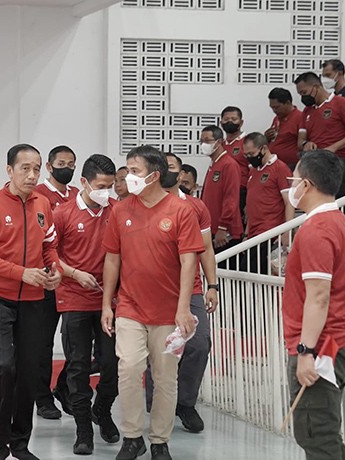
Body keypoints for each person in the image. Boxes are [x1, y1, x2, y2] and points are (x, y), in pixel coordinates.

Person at [101, 145, 204, 460]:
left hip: (168, 314)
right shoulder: (120, 210)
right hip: (130, 308)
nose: (128, 177)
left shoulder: (181, 211)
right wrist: (108, 304)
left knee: (164, 378)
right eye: (128, 170)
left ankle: (160, 440)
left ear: (155, 175)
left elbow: (189, 263)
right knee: (129, 368)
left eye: (135, 171)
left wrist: (183, 308)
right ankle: (132, 437)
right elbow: (112, 260)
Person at [0, 144, 62, 460]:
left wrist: (54, 272)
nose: (32, 174)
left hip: (35, 300)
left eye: (36, 168)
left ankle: (21, 443)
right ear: (9, 170)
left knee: (29, 371)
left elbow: (50, 247)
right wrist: (21, 273)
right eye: (25, 168)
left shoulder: (43, 204)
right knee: (2, 366)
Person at [282, 149, 345, 459]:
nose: (291, 187)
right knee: (320, 432)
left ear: (307, 184)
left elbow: (318, 296)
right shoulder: (340, 222)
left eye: (294, 180)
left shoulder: (318, 230)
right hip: (338, 338)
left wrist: (306, 351)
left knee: (316, 434)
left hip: (323, 344)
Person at [144, 152, 218, 433]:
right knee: (157, 348)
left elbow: (206, 248)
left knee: (199, 344)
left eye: (172, 167)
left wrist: (212, 285)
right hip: (153, 291)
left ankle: (185, 403)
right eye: (163, 167)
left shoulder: (196, 207)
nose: (167, 172)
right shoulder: (144, 205)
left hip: (192, 290)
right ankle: (157, 402)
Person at [53, 154, 120, 455]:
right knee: (78, 367)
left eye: (110, 186)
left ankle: (102, 410)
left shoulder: (117, 211)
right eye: (101, 186)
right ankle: (83, 429)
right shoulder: (63, 214)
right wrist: (74, 273)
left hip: (110, 301)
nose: (106, 192)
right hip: (75, 299)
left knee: (112, 364)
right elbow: (49, 255)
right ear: (83, 183)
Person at [33, 145, 77, 419]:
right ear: (49, 166)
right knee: (42, 343)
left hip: (73, 280)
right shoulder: (38, 195)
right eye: (62, 163)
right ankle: (42, 398)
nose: (68, 168)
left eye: (72, 164)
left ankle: (65, 388)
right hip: (47, 278)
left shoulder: (77, 195)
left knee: (77, 343)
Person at [295, 72, 345, 199]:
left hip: (340, 161)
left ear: (316, 87)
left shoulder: (341, 103)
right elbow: (300, 140)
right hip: (318, 164)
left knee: (342, 204)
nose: (302, 97)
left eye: (304, 93)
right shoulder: (307, 111)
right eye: (300, 94)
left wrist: (334, 147)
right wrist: (306, 144)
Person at [242, 133, 294, 274]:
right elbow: (251, 204)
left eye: (251, 153)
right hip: (253, 234)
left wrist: (286, 231)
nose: (249, 157)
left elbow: (289, 202)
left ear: (263, 148)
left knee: (259, 274)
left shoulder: (280, 168)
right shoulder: (253, 170)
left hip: (270, 233)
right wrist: (246, 234)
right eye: (246, 154)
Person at [200, 125, 243, 257]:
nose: (203, 144)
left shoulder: (229, 164)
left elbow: (231, 198)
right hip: (211, 227)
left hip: (225, 232)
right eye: (201, 141)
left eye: (207, 141)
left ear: (218, 142)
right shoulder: (214, 163)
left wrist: (222, 227)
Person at [220, 106, 248, 220]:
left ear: (241, 122)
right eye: (226, 119)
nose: (230, 122)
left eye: (234, 119)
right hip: (222, 192)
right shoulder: (220, 144)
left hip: (241, 192)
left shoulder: (247, 142)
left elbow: (254, 171)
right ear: (221, 122)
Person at [265, 87, 303, 170]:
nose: (274, 110)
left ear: (288, 103)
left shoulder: (300, 117)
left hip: (291, 166)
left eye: (277, 107)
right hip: (274, 165)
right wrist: (267, 137)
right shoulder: (277, 118)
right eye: (272, 107)